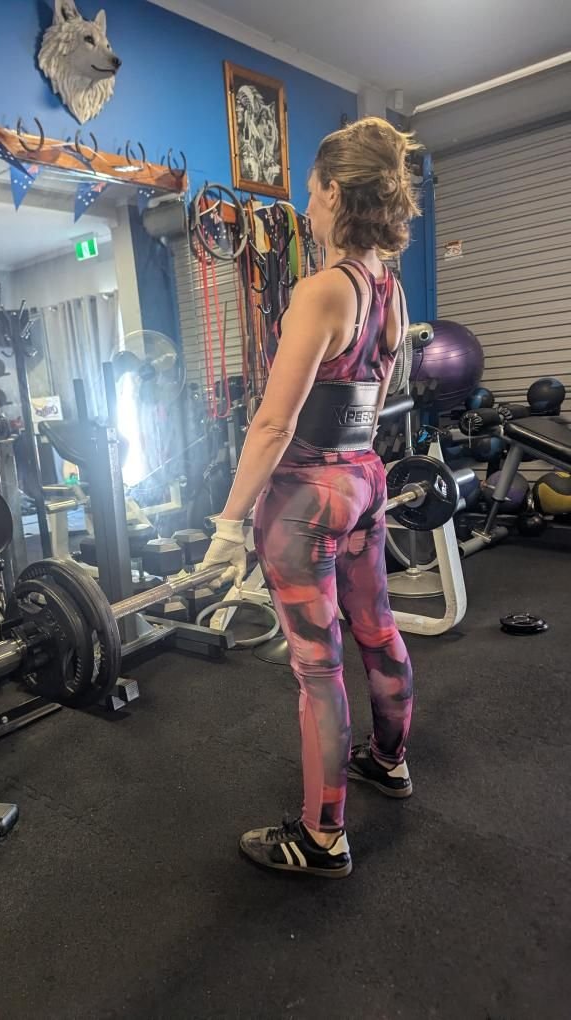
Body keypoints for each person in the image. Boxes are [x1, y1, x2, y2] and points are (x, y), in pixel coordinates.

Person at [201, 117, 419, 878]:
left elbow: (273, 422)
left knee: (318, 668)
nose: (306, 202)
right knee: (378, 628)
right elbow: (374, 400)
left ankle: (323, 836)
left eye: (311, 188)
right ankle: (389, 760)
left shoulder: (324, 290)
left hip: (305, 499)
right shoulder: (389, 287)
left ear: (331, 191)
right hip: (363, 479)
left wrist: (229, 523)